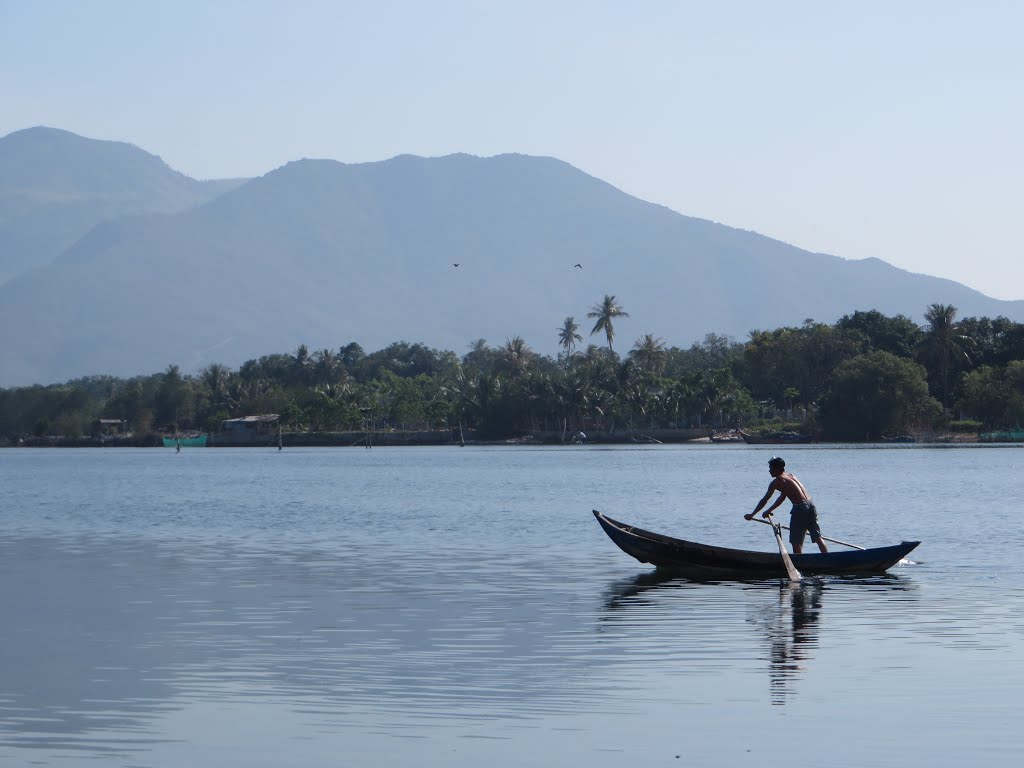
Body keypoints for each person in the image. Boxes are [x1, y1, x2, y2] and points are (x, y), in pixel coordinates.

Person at [744, 456, 828, 554]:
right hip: (811, 505)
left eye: (771, 468)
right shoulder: (791, 476)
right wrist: (769, 510)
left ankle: (798, 564)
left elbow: (764, 500)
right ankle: (827, 559)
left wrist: (752, 515)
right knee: (818, 537)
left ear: (777, 469)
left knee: (795, 541)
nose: (769, 471)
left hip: (800, 508)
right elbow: (782, 497)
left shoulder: (777, 482)